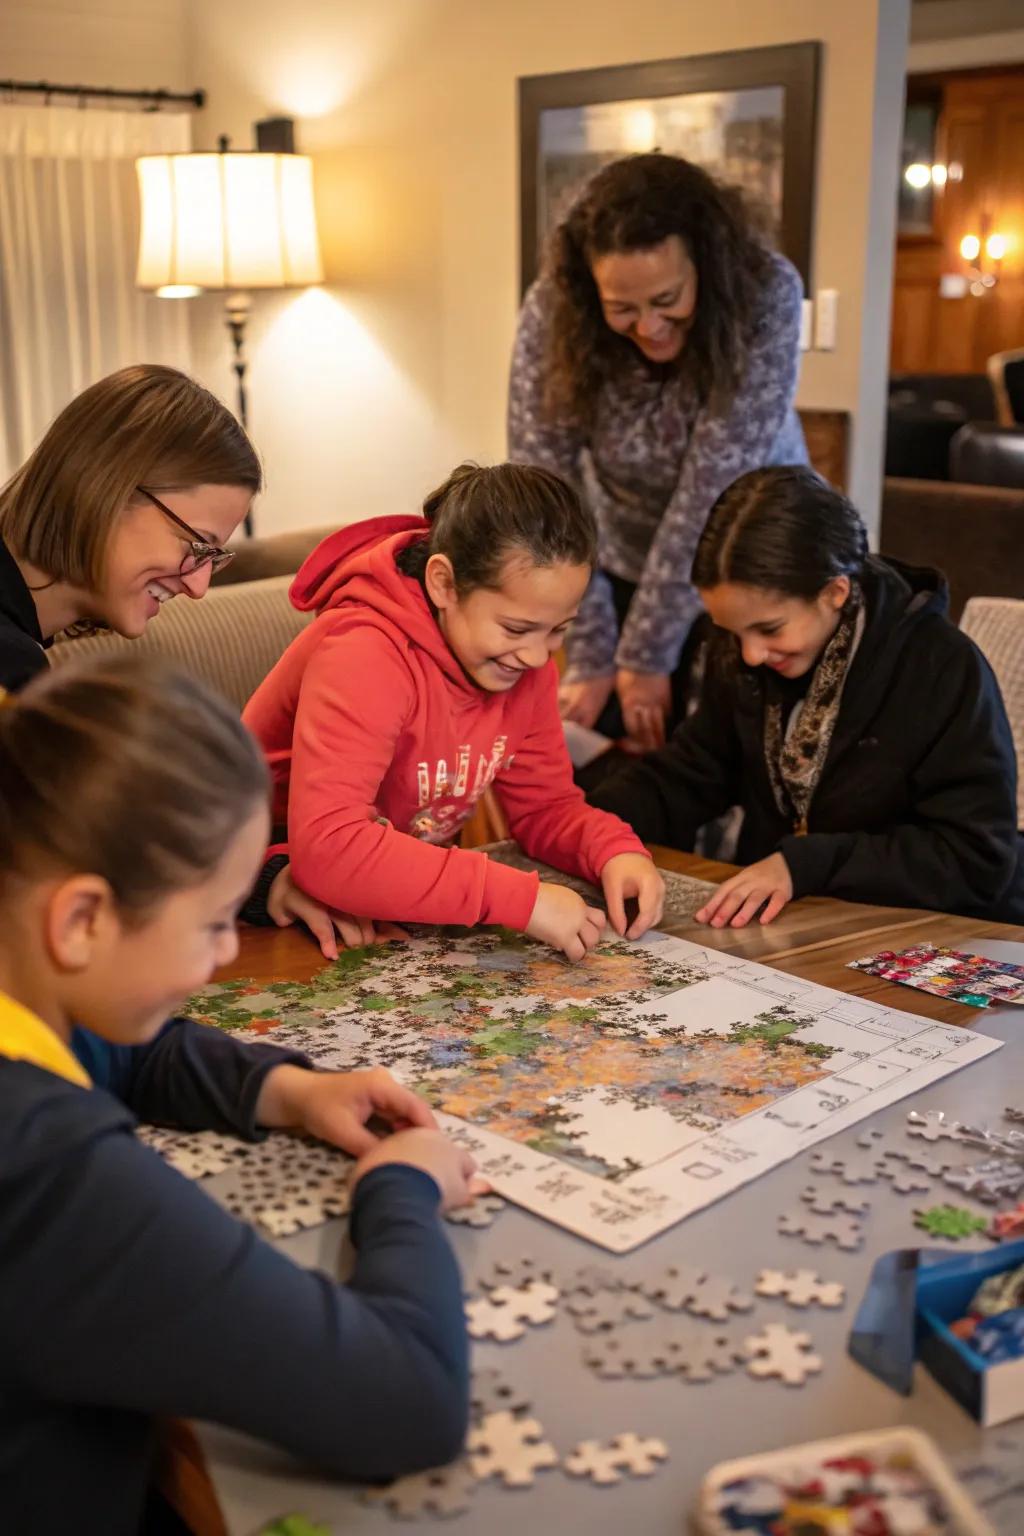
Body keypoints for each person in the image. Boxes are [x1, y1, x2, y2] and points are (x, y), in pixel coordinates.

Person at [0, 656, 480, 1533]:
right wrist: (400, 1191)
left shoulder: (28, 991)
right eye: (215, 921)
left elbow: (123, 1051)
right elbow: (407, 1401)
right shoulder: (44, 1171)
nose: (228, 953)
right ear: (80, 920)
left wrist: (291, 1090)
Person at [243, 462, 664, 960]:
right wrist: (519, 900)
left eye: (558, 631)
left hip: (379, 902)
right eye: (514, 629)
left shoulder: (524, 670)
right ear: (443, 583)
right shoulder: (364, 651)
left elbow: (545, 808)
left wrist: (614, 849)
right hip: (241, 879)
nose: (536, 656)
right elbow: (332, 846)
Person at [0, 361, 340, 956]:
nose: (200, 586)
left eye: (216, 558)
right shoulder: (13, 676)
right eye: (195, 547)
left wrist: (264, 883)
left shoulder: (27, 648)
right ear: (105, 488)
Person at [590, 465, 1024, 927]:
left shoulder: (941, 667)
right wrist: (585, 827)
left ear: (835, 591)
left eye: (770, 629)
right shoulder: (748, 653)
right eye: (733, 633)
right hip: (789, 928)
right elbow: (691, 774)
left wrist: (805, 864)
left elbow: (975, 858)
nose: (751, 654)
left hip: (929, 936)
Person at [509, 151, 807, 754]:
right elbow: (546, 484)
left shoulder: (765, 292)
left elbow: (711, 490)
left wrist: (644, 654)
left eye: (667, 299)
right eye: (622, 308)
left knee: (737, 753)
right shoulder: (553, 307)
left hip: (750, 557)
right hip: (620, 557)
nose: (649, 327)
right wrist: (591, 649)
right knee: (620, 748)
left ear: (705, 261)